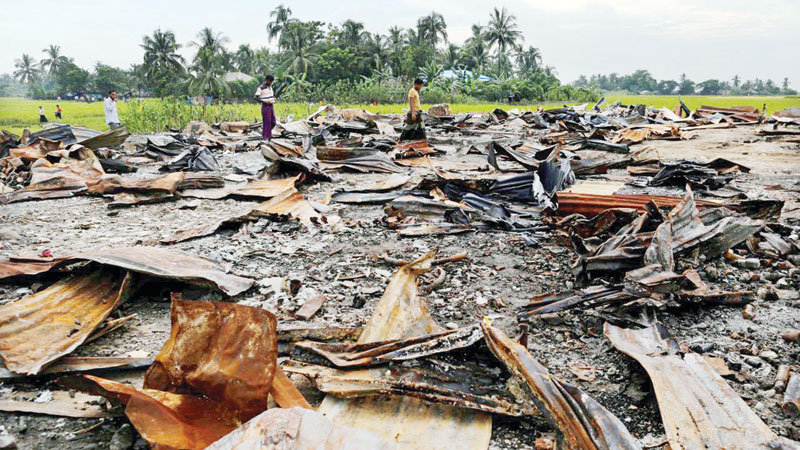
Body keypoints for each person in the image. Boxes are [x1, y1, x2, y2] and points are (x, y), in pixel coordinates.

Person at [255, 75, 277, 140]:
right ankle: (267, 137)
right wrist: (264, 101)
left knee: (273, 122)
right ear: (267, 80)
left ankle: (265, 133)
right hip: (265, 106)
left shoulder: (270, 87)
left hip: (271, 105)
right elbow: (256, 97)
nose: (271, 83)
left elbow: (270, 95)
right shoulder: (261, 88)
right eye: (270, 81)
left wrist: (274, 98)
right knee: (267, 122)